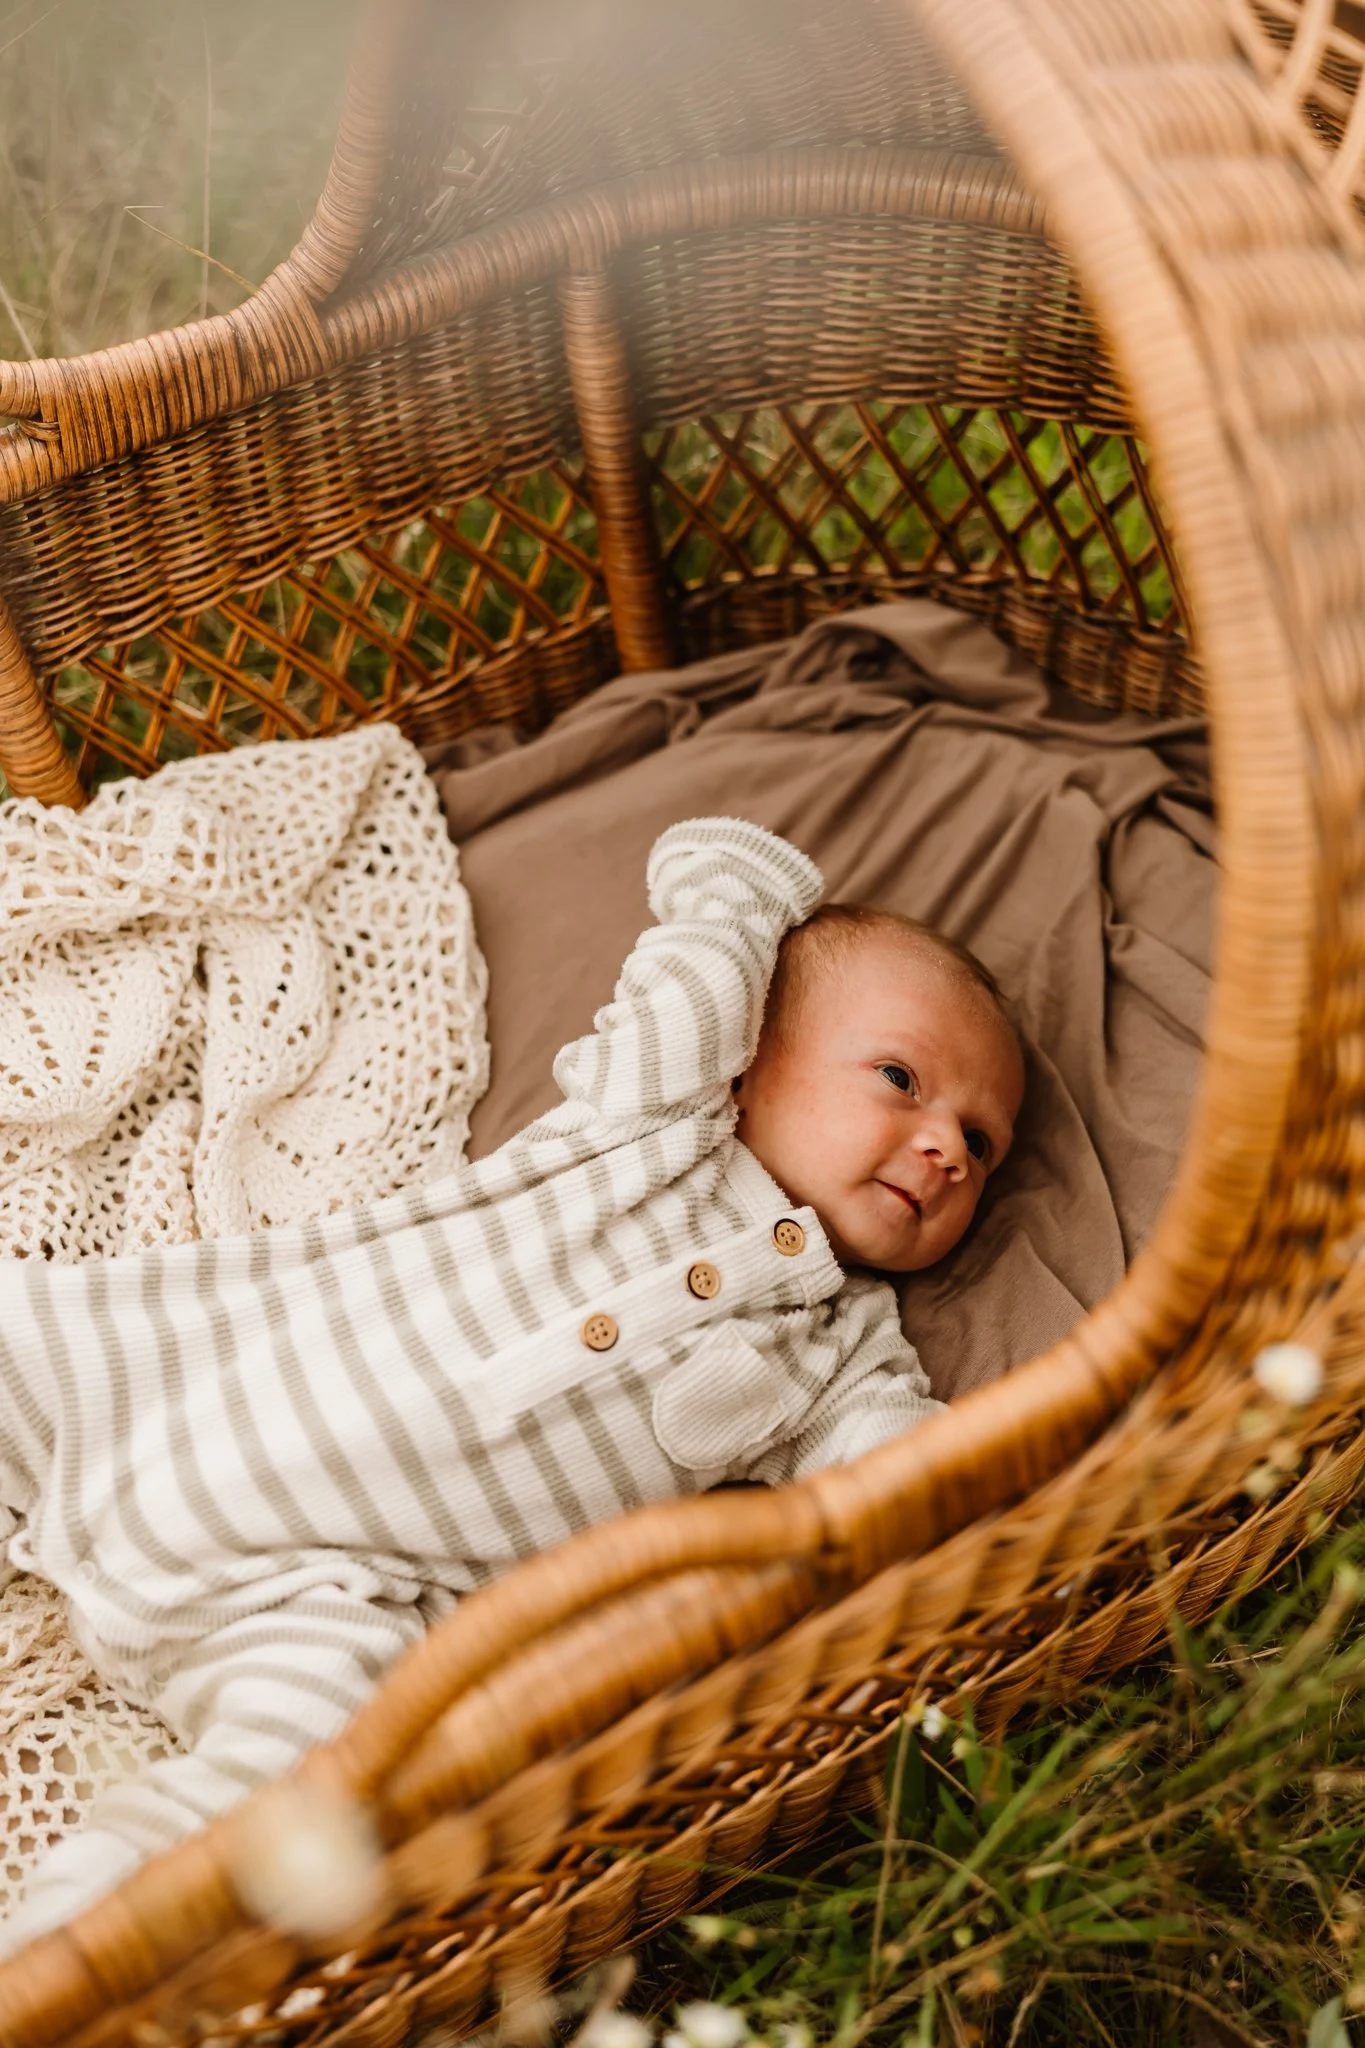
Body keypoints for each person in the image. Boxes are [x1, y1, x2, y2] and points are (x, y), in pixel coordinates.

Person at [0, 817, 1024, 1947]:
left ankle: (60, 1967)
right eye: (901, 1077)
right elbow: (692, 975)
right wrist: (748, 886)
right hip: (154, 1381)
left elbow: (899, 1478)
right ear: (754, 1048)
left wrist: (973, 1495)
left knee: (306, 1793)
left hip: (317, 1587)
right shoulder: (648, 1129)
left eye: (982, 1143)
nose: (945, 1149)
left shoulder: (839, 1349)